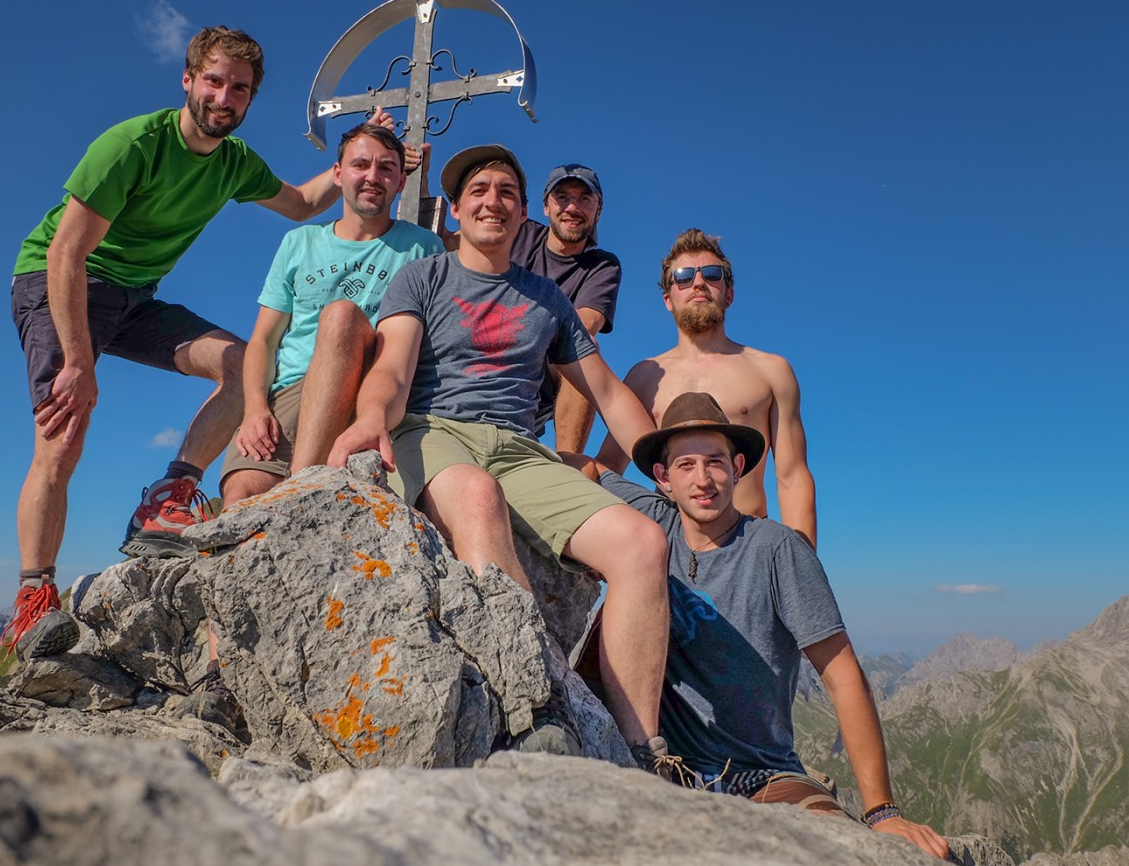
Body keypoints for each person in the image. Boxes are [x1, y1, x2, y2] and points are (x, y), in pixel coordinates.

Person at [5, 25, 403, 661]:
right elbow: (66, 254)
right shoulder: (133, 144)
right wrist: (79, 361)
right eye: (214, 80)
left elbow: (301, 204)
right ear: (188, 80)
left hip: (134, 298)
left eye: (239, 88)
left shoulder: (234, 163)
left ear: (249, 100)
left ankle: (171, 494)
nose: (224, 96)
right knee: (64, 429)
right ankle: (33, 601)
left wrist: (356, 158)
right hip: (61, 284)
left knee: (246, 362)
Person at [327, 144, 684, 777]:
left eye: (507, 193)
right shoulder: (423, 277)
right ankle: (532, 708)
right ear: (458, 211)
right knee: (475, 497)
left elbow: (605, 391)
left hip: (519, 447)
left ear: (524, 215)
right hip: (431, 428)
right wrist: (371, 416)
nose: (493, 201)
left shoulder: (548, 299)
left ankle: (644, 751)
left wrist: (661, 461)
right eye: (480, 192)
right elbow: (393, 364)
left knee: (642, 542)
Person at [573, 393, 948, 860]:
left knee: (832, 849)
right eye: (685, 465)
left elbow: (842, 675)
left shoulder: (776, 550)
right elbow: (584, 467)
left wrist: (881, 812)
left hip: (762, 776)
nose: (703, 479)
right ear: (663, 479)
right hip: (669, 771)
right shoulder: (654, 522)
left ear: (738, 466)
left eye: (715, 462)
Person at [217, 121, 443, 507]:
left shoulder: (424, 248)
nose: (373, 177)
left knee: (340, 316)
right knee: (242, 493)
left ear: (400, 182)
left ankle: (301, 493)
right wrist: (255, 407)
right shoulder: (299, 242)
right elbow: (264, 340)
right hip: (293, 388)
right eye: (361, 165)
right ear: (338, 174)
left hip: (370, 389)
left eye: (387, 168)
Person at [597, 229, 818, 547]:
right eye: (683, 276)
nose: (698, 283)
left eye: (712, 274)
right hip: (672, 546)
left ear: (729, 293)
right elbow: (609, 469)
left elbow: (792, 476)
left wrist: (801, 560)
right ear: (668, 300)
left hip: (748, 543)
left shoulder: (771, 370)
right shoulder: (645, 377)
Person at [510, 164, 620, 454]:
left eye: (585, 199)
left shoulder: (602, 266)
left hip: (538, 373)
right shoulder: (517, 233)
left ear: (598, 211)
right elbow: (449, 241)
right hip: (485, 357)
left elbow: (585, 323)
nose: (573, 207)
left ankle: (567, 463)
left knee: (584, 349)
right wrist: (416, 179)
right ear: (545, 206)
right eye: (562, 197)